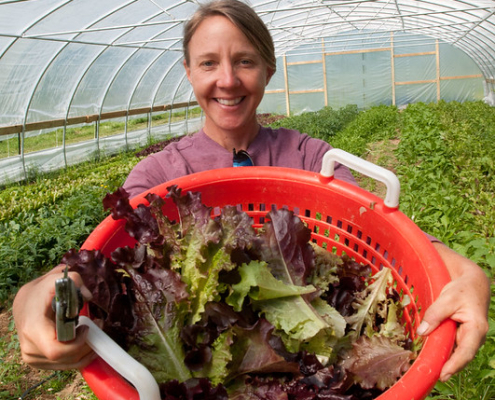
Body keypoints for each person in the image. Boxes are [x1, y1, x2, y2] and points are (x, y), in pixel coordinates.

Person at [13, 0, 489, 385]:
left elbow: (376, 229)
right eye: (208, 64)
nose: (227, 80)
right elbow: (109, 260)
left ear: (267, 70)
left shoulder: (308, 158)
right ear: (189, 73)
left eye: (244, 61)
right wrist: (38, 295)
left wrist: (465, 272)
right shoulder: (161, 175)